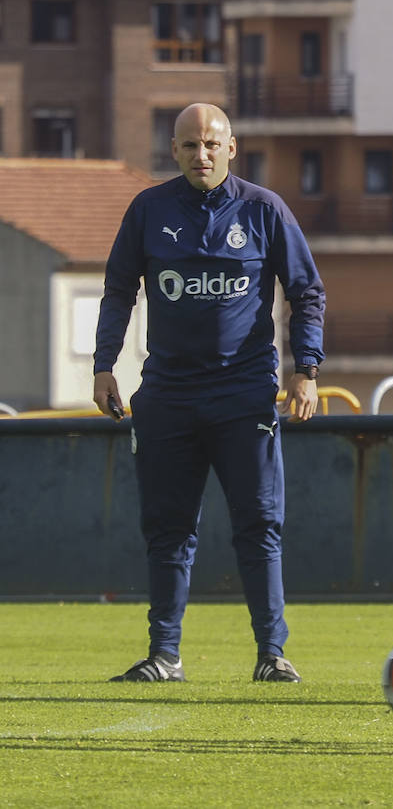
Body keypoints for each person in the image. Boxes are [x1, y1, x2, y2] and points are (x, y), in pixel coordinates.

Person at [94, 103, 325, 683]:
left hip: (243, 396)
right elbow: (119, 289)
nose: (201, 155)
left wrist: (307, 369)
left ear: (231, 147)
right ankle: (164, 656)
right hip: (168, 396)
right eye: (190, 145)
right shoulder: (149, 210)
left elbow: (307, 292)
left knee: (259, 524)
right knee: (168, 529)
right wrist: (104, 366)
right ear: (173, 151)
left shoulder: (264, 210)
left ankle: (272, 654)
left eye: (211, 144)